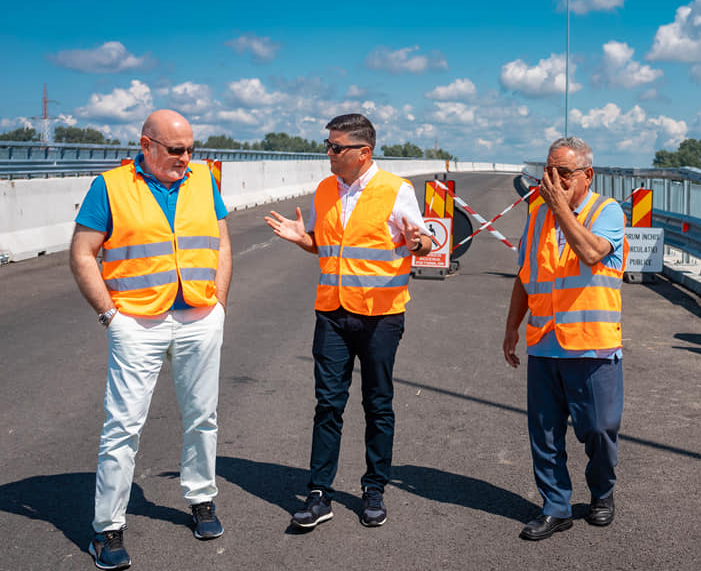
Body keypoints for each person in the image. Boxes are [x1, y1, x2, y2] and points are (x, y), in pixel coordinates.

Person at [70, 109, 232, 570]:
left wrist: (218, 302)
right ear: (146, 145)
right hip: (137, 322)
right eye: (175, 150)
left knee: (203, 416)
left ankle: (201, 499)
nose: (185, 158)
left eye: (191, 149)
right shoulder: (110, 187)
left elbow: (221, 242)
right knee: (123, 426)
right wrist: (109, 315)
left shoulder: (203, 179)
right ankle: (107, 529)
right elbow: (82, 252)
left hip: (199, 315)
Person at [265, 113, 432, 530]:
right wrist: (301, 238)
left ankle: (374, 488)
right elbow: (324, 246)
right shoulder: (324, 190)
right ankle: (319, 493)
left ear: (363, 152)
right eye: (328, 145)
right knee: (328, 405)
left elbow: (423, 238)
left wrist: (420, 241)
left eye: (336, 147)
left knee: (377, 405)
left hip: (380, 316)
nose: (329, 153)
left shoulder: (395, 190)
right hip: (333, 314)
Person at [502, 136, 626, 541]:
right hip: (545, 343)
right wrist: (511, 329)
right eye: (549, 172)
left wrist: (560, 209)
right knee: (545, 433)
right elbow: (525, 276)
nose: (554, 180)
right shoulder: (537, 215)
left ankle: (602, 493)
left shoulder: (606, 211)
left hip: (591, 343)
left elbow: (591, 253)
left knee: (599, 429)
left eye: (564, 173)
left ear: (587, 175)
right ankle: (555, 506)